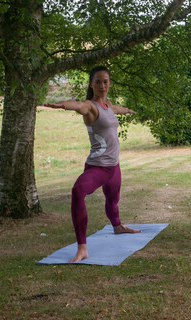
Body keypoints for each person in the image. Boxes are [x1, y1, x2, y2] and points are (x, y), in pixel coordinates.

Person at [43, 66, 140, 263]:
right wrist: (62, 105)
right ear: (91, 84)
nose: (102, 86)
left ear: (110, 83)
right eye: (98, 82)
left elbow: (116, 110)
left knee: (113, 200)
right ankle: (82, 248)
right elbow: (77, 105)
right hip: (98, 167)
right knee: (78, 191)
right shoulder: (90, 106)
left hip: (114, 167)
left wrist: (128, 110)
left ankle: (117, 226)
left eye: (105, 82)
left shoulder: (108, 106)